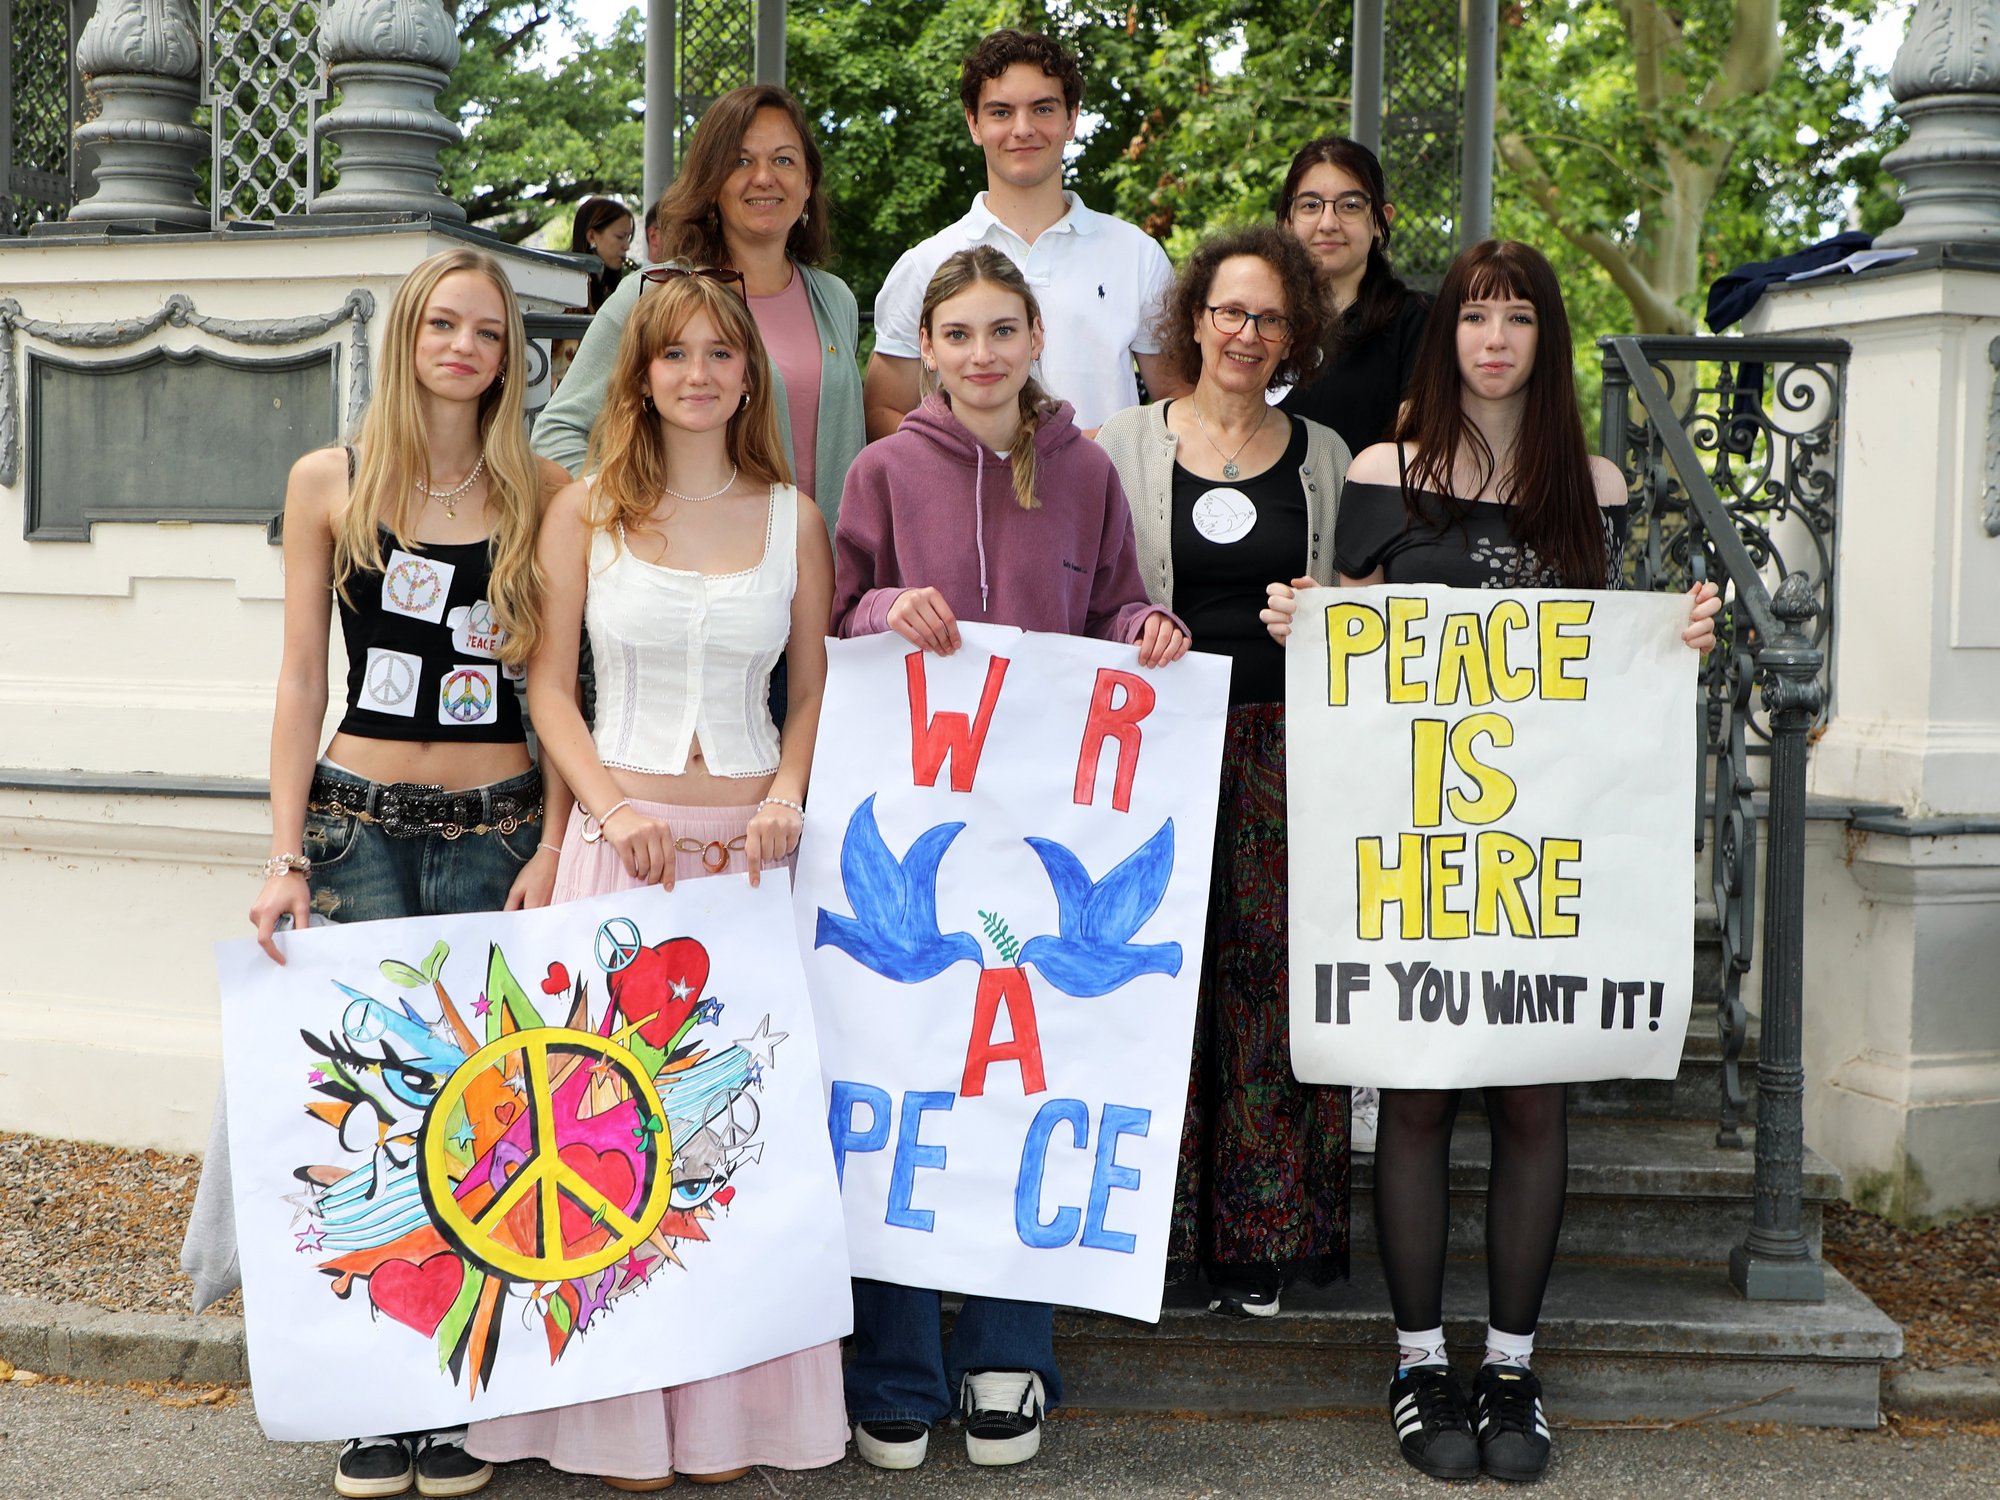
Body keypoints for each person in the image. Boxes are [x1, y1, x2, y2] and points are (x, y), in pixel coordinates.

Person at [1262, 240, 1720, 1485]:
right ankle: (1418, 1365)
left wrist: (1673, 636)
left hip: (1536, 852)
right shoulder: (1381, 467)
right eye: (1474, 316)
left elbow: (1603, 659)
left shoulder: (1598, 480)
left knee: (1532, 1098)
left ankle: (1511, 1364)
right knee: (1413, 1094)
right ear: (1446, 335)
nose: (1495, 339)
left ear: (1544, 338)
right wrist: (1302, 617)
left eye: (1518, 317)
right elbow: (1344, 615)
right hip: (1417, 845)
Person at [464, 270, 844, 1491]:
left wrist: (786, 795)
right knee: (601, 1137)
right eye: (671, 354)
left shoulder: (795, 515)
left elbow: (813, 686)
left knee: (725, 1144)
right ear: (640, 373)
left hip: (746, 869)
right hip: (613, 855)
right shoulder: (586, 511)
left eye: (718, 356)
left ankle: (730, 1416)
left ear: (748, 377)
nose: (695, 374)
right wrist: (611, 810)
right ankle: (607, 1417)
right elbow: (549, 690)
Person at [220, 246, 573, 1498]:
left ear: (509, 357)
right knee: (371, 1109)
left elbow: (558, 692)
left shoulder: (544, 489)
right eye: (444, 324)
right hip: (353, 823)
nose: (464, 347)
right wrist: (282, 853)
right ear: (408, 336)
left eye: (488, 331)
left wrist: (548, 846)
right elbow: (301, 680)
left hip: (495, 824)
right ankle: (378, 1395)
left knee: (474, 1113)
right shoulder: (332, 481)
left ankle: (454, 1396)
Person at [832, 246, 1190, 1471]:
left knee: (1027, 1079)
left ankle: (1007, 1353)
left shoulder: (1086, 471)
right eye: (957, 334)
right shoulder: (880, 471)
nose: (981, 354)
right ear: (924, 350)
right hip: (916, 837)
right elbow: (830, 618)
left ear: (1038, 336)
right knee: (899, 1071)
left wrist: (1145, 628)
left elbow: (1118, 616)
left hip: (1042, 845)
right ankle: (892, 1362)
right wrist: (885, 612)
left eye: (1001, 330)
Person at [1095, 225, 1348, 1320]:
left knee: (1267, 992)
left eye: (1270, 318)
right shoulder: (1116, 447)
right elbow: (1091, 593)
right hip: (1152, 750)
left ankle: (1260, 1239)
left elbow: (1365, 618)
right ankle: (1152, 1238)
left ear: (1295, 335)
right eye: (1229, 312)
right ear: (1193, 318)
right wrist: (1130, 624)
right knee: (1150, 986)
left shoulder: (1328, 457)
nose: (1246, 334)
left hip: (1283, 754)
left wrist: (1327, 622)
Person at [536, 85, 863, 542]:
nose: (765, 177)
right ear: (711, 182)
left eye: (784, 160)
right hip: (709, 584)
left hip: (826, 586)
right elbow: (557, 434)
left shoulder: (836, 300)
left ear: (808, 183)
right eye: (741, 161)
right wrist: (643, 513)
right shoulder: (650, 295)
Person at [862, 28, 1188, 441]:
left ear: (1071, 119)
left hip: (1106, 500)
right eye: (1000, 112)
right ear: (973, 123)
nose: (1022, 128)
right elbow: (882, 410)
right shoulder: (924, 265)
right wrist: (969, 456)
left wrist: (1093, 451)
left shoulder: (1137, 255)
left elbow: (1180, 403)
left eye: (1043, 109)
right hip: (967, 503)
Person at [1272, 136, 1429, 462]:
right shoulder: (1259, 321)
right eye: (1311, 205)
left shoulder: (1418, 320)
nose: (1328, 223)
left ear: (1381, 220)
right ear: (1288, 219)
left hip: (1369, 508)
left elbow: (1419, 450)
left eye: (1351, 205)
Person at [572, 196, 636, 312]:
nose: (627, 246)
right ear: (591, 236)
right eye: (620, 237)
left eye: (628, 237)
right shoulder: (571, 289)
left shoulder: (608, 287)